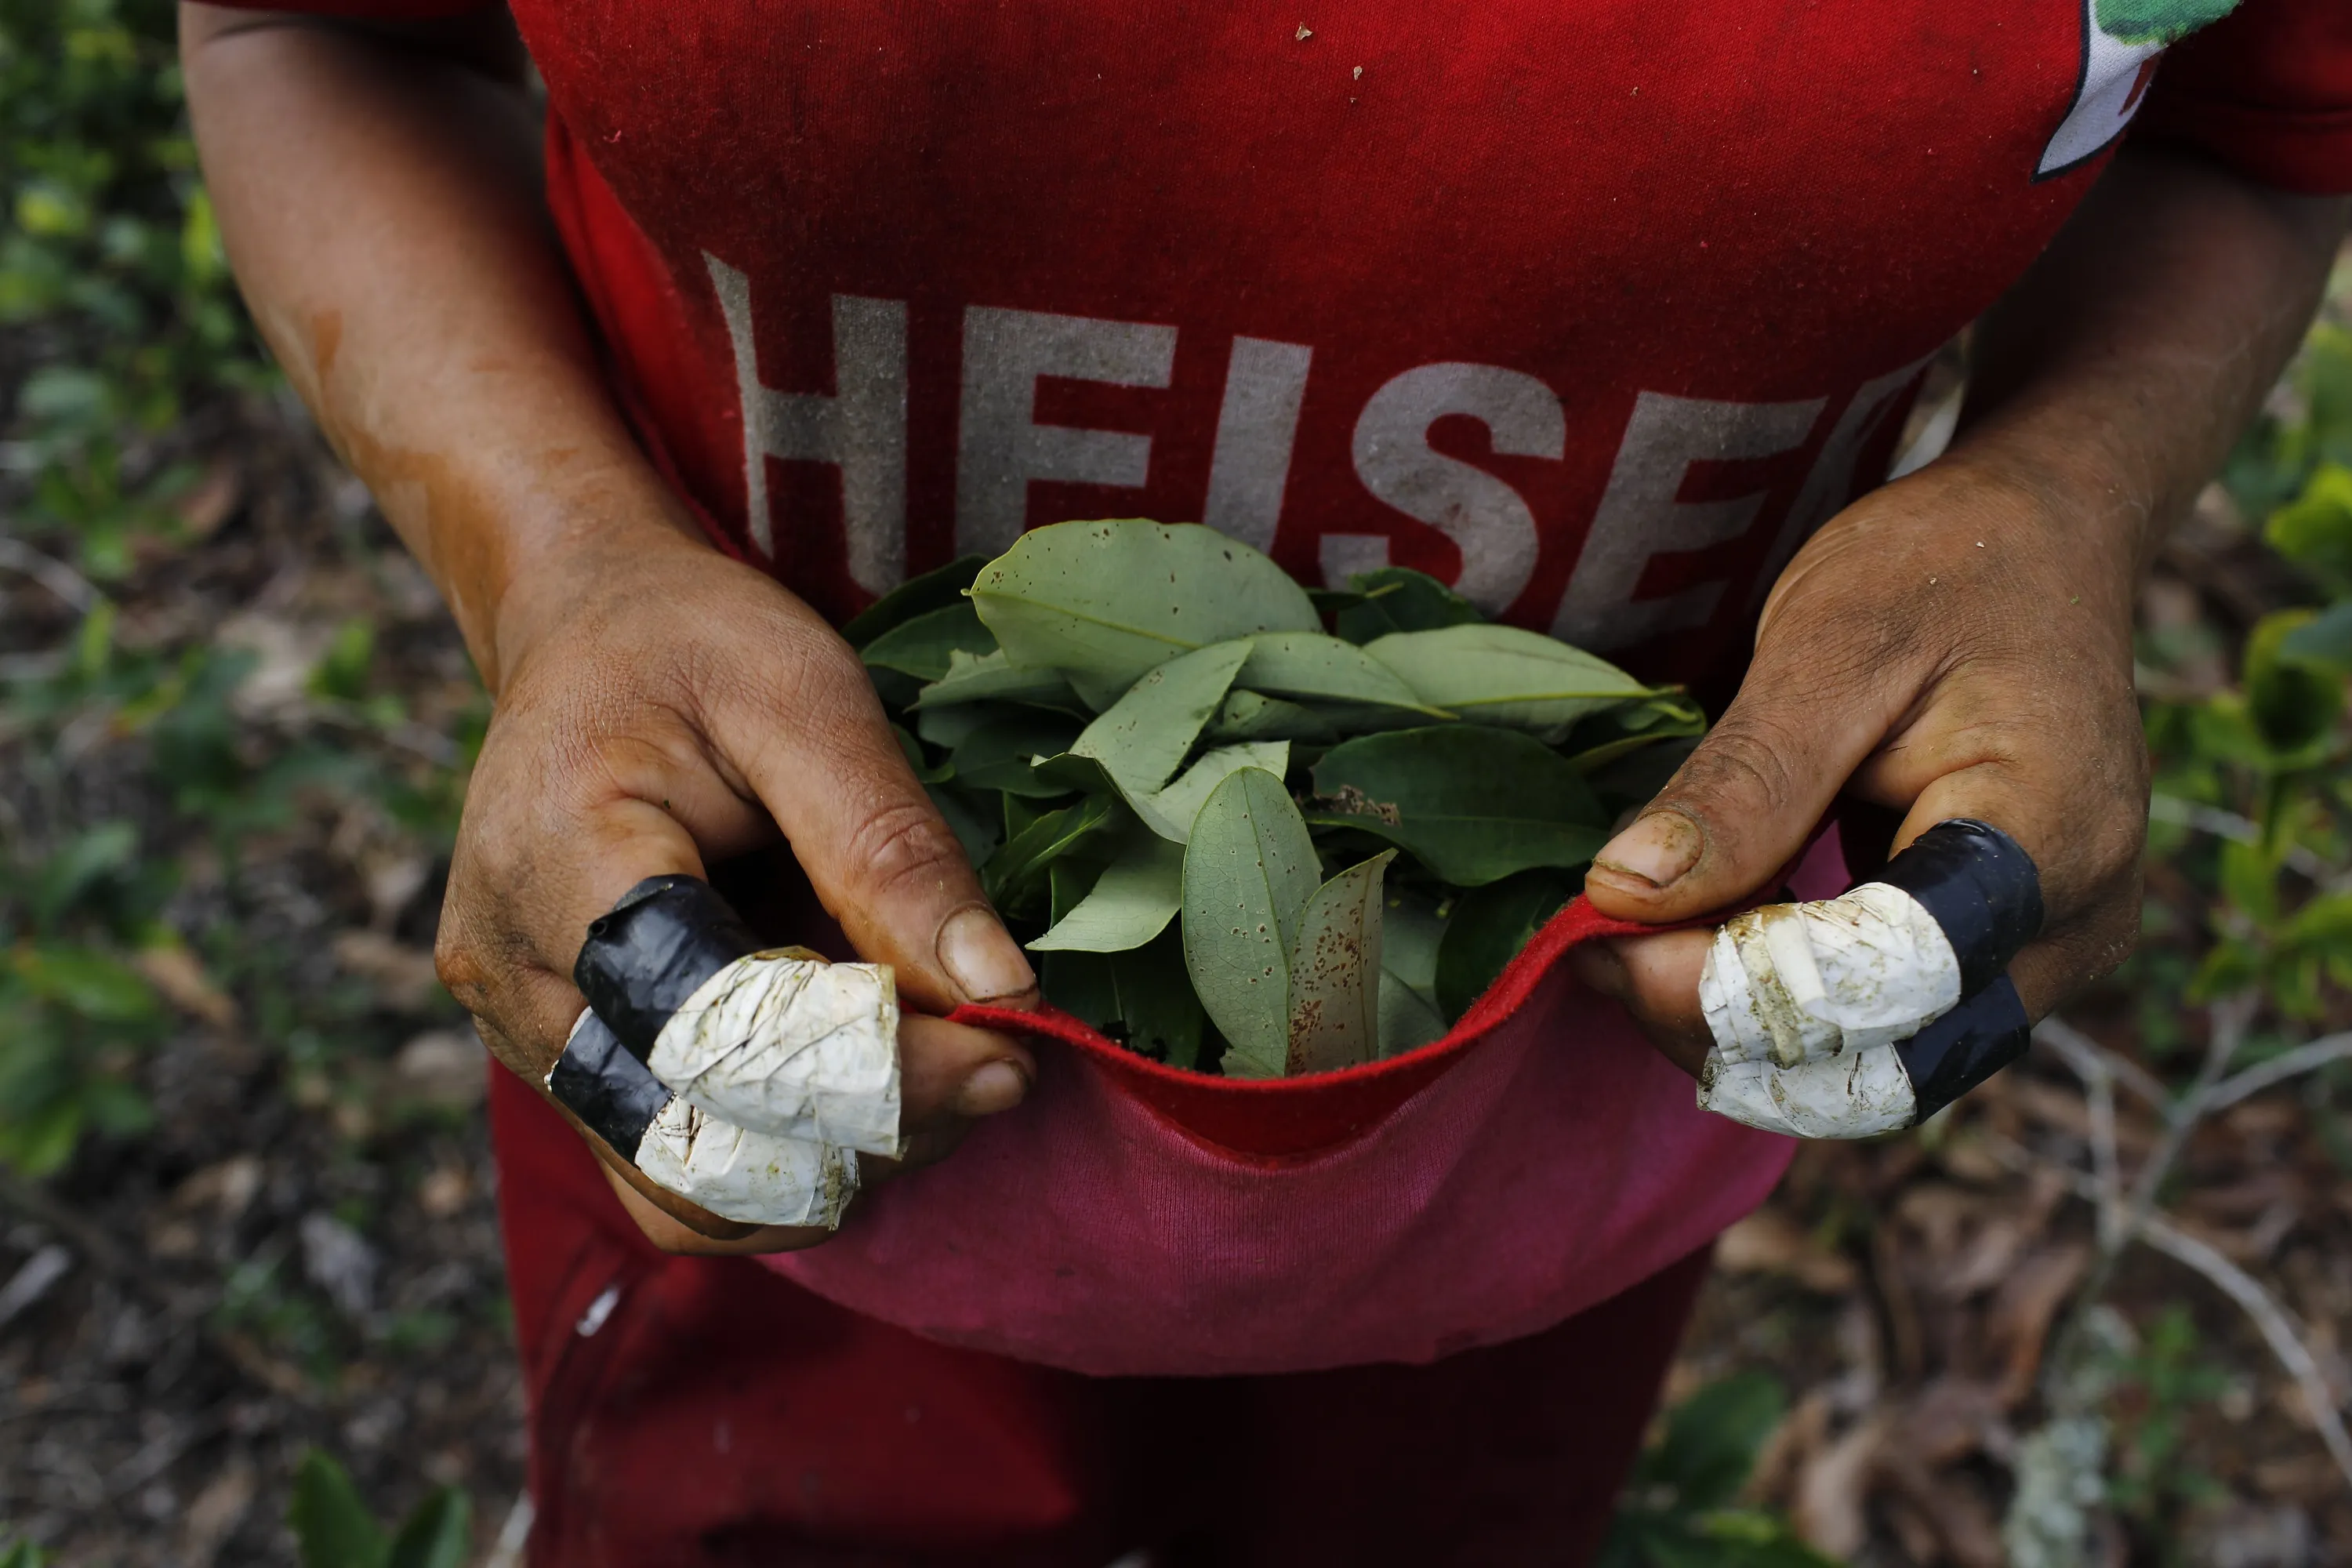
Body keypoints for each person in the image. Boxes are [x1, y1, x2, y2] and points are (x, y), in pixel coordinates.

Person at [183, 1, 2350, 1560]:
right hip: (758, 1046)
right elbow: (326, 29)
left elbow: (2261, 122)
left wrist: (2064, 496)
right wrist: (562, 565)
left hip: (1535, 1127)